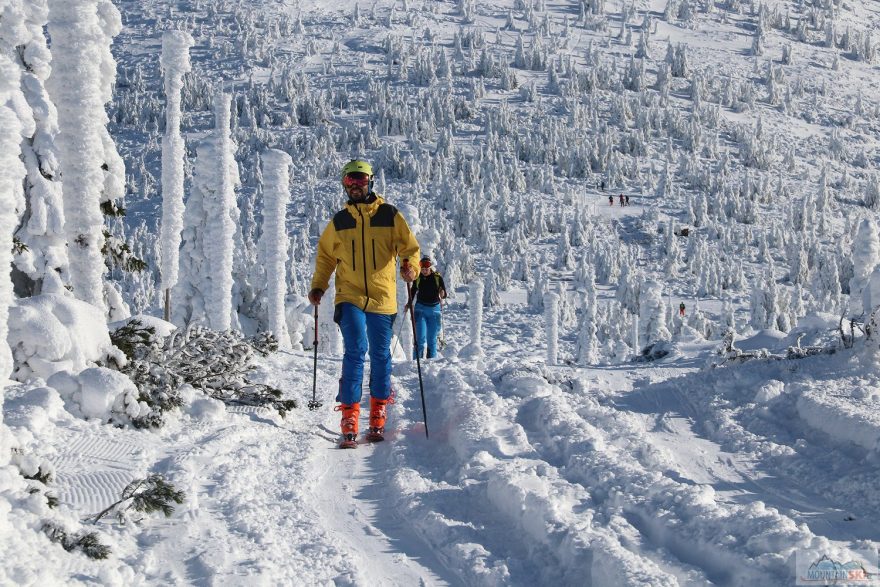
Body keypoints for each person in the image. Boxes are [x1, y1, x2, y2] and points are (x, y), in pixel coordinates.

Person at [309, 159, 420, 447]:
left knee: (381, 354)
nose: (354, 185)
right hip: (350, 296)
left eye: (359, 180)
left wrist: (411, 268)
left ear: (370, 181)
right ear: (343, 184)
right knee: (356, 348)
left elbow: (410, 249)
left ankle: (379, 411)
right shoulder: (339, 222)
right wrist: (319, 286)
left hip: (382, 298)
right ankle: (349, 415)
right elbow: (325, 257)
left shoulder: (390, 215)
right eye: (349, 181)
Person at [409, 257, 447, 359]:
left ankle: (431, 363)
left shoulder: (437, 278)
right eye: (422, 268)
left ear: (430, 267)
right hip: (420, 310)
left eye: (426, 268)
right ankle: (416, 363)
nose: (424, 271)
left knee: (432, 340)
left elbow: (444, 292)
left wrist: (442, 293)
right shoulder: (418, 278)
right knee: (420, 339)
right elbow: (412, 292)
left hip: (434, 311)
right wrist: (408, 303)